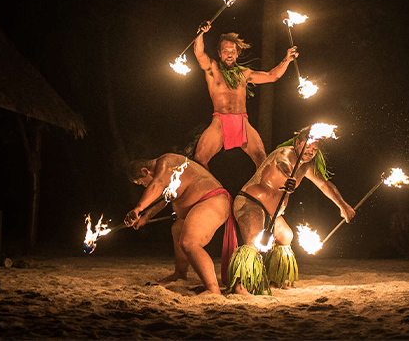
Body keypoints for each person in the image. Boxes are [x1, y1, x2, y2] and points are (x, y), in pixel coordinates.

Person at [226, 127, 356, 295]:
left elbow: (325, 185)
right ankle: (241, 285)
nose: (311, 151)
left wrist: (343, 205)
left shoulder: (307, 167)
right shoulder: (285, 153)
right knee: (254, 240)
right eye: (307, 146)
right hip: (251, 202)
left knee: (286, 236)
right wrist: (289, 178)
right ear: (297, 143)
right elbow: (282, 163)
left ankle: (277, 279)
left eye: (314, 149)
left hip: (273, 213)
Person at [125, 154, 238, 295]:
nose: (145, 186)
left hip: (212, 200)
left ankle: (213, 289)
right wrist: (146, 217)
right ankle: (180, 273)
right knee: (177, 229)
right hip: (199, 206)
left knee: (189, 242)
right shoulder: (166, 174)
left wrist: (138, 208)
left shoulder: (166, 162)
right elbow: (164, 198)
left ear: (145, 171)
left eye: (142, 183)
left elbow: (157, 185)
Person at [192, 21, 298, 170]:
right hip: (219, 122)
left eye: (232, 51)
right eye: (225, 51)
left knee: (262, 159)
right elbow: (199, 53)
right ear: (219, 53)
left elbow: (272, 76)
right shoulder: (213, 70)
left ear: (237, 53)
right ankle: (211, 192)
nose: (229, 54)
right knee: (199, 160)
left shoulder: (244, 74)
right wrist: (201, 33)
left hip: (242, 122)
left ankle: (259, 192)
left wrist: (287, 59)